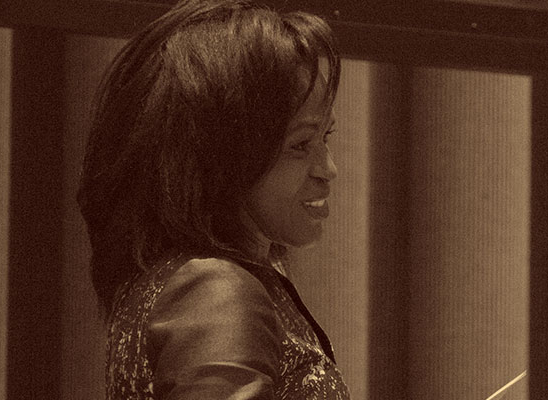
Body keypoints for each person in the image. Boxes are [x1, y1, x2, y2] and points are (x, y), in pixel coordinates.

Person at [76, 0, 350, 398]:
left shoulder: (177, 279)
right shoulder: (214, 291)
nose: (328, 169)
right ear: (221, 156)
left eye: (326, 137)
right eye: (300, 144)